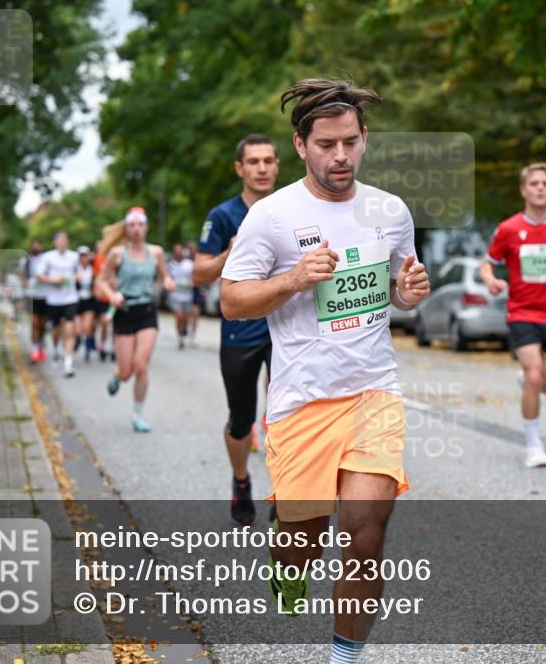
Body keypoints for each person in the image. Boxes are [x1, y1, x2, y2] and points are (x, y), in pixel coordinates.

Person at [221, 79, 430, 663]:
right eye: (326, 145)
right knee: (300, 547)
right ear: (300, 145)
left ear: (365, 139)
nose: (340, 157)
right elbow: (233, 301)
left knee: (366, 535)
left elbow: (398, 287)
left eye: (350, 142)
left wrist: (408, 292)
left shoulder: (390, 211)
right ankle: (287, 560)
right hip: (301, 405)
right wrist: (293, 279)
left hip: (373, 394)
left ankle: (343, 658)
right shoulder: (273, 216)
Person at [194, 133, 279, 525]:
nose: (262, 168)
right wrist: (230, 252)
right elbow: (199, 273)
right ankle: (241, 479)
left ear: (277, 165)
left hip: (285, 328)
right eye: (254, 161)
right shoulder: (223, 214)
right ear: (240, 168)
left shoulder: (292, 209)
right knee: (241, 418)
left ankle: (286, 488)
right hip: (240, 330)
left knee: (287, 413)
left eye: (268, 160)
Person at [479, 162, 546, 468]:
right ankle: (533, 445)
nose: (540, 188)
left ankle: (528, 379)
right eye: (534, 183)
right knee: (536, 374)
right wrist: (491, 280)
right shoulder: (510, 228)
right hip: (522, 312)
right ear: (524, 189)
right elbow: (487, 263)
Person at [95, 207, 175, 433]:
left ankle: (137, 415)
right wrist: (112, 296)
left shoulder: (156, 252)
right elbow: (101, 281)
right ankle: (117, 374)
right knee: (126, 371)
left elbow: (164, 274)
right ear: (127, 229)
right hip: (125, 311)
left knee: (141, 365)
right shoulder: (117, 254)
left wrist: (168, 281)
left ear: (146, 228)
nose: (137, 229)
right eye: (133, 225)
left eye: (141, 224)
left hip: (147, 311)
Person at [36, 232, 81, 378]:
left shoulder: (74, 257)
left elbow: (80, 273)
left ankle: (68, 364)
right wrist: (53, 280)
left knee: (69, 329)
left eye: (65, 240)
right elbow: (39, 275)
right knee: (56, 330)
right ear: (54, 242)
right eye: (59, 240)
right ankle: (56, 349)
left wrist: (75, 277)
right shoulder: (47, 257)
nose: (62, 242)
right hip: (53, 299)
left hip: (70, 298)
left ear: (68, 242)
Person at [21, 239, 48, 363]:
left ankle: (41, 344)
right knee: (34, 323)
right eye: (34, 246)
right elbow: (22, 276)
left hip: (44, 296)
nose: (36, 248)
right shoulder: (25, 261)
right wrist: (25, 285)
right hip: (31, 296)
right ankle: (34, 349)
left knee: (42, 324)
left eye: (38, 245)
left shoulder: (46, 259)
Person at [166, 243, 195, 350]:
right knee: (179, 317)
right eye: (176, 251)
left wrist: (192, 283)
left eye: (180, 251)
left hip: (187, 296)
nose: (178, 253)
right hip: (175, 296)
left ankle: (183, 332)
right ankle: (180, 338)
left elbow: (194, 277)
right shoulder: (171, 265)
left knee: (185, 318)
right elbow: (167, 278)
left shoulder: (189, 264)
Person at [92, 238, 115, 362]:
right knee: (104, 322)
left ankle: (113, 347)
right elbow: (97, 277)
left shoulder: (115, 256)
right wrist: (97, 290)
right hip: (103, 297)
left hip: (114, 297)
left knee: (113, 323)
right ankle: (103, 345)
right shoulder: (98, 258)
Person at [75, 245, 97, 362]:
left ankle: (88, 349)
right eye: (81, 256)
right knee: (78, 329)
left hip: (89, 300)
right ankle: (78, 340)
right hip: (77, 301)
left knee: (87, 327)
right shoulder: (74, 269)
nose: (84, 259)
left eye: (85, 256)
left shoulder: (93, 269)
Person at [186, 241, 203, 345]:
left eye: (194, 248)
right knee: (188, 315)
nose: (192, 251)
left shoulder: (199, 260)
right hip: (186, 291)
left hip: (196, 290)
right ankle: (185, 332)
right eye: (190, 249)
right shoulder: (186, 262)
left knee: (196, 314)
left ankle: (192, 336)